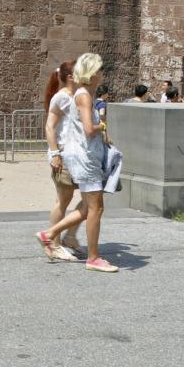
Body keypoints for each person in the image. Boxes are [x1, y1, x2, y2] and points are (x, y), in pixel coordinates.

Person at [37, 53, 118, 272]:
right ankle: (58, 242)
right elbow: (83, 129)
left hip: (76, 154)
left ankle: (61, 236)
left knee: (88, 207)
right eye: (100, 70)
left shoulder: (79, 94)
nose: (102, 74)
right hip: (74, 155)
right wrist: (100, 126)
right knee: (83, 206)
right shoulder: (76, 96)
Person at [40, 60, 83, 262]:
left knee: (93, 199)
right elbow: (50, 127)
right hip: (65, 155)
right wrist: (55, 153)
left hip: (82, 156)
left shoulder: (80, 95)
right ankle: (54, 244)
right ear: (70, 77)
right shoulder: (61, 97)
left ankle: (70, 236)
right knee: (63, 201)